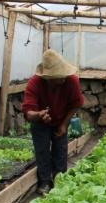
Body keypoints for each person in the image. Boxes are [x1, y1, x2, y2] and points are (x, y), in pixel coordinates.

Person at [22, 50, 83, 194]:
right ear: (48, 78)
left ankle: (60, 179)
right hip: (40, 121)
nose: (62, 79)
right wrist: (39, 115)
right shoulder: (35, 83)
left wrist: (64, 124)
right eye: (58, 77)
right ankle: (45, 182)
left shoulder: (71, 80)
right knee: (42, 150)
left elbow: (76, 104)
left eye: (63, 75)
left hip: (61, 118)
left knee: (60, 150)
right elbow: (28, 111)